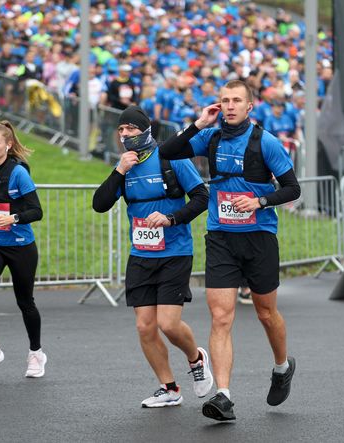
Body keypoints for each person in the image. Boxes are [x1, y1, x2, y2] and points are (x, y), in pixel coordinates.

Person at [159, 79, 301, 421]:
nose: (231, 105)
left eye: (237, 100)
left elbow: (292, 188)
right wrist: (198, 123)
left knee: (266, 314)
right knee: (221, 317)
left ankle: (282, 366)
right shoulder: (211, 137)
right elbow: (168, 151)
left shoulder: (266, 143)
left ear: (249, 107)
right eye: (225, 100)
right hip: (221, 236)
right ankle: (223, 396)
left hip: (259, 237)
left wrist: (258, 201)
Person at [92, 105, 214, 408]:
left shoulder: (171, 157)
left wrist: (172, 218)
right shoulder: (126, 165)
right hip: (141, 254)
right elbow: (100, 204)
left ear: (145, 130)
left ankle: (196, 359)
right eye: (121, 130)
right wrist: (119, 170)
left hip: (174, 252)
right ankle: (169, 388)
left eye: (131, 129)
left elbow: (202, 198)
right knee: (145, 326)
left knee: (169, 325)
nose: (125, 134)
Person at [0, 121, 46, 377]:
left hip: (20, 246)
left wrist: (13, 218)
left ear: (8, 145)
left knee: (25, 302)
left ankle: (36, 354)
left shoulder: (18, 174)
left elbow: (36, 211)